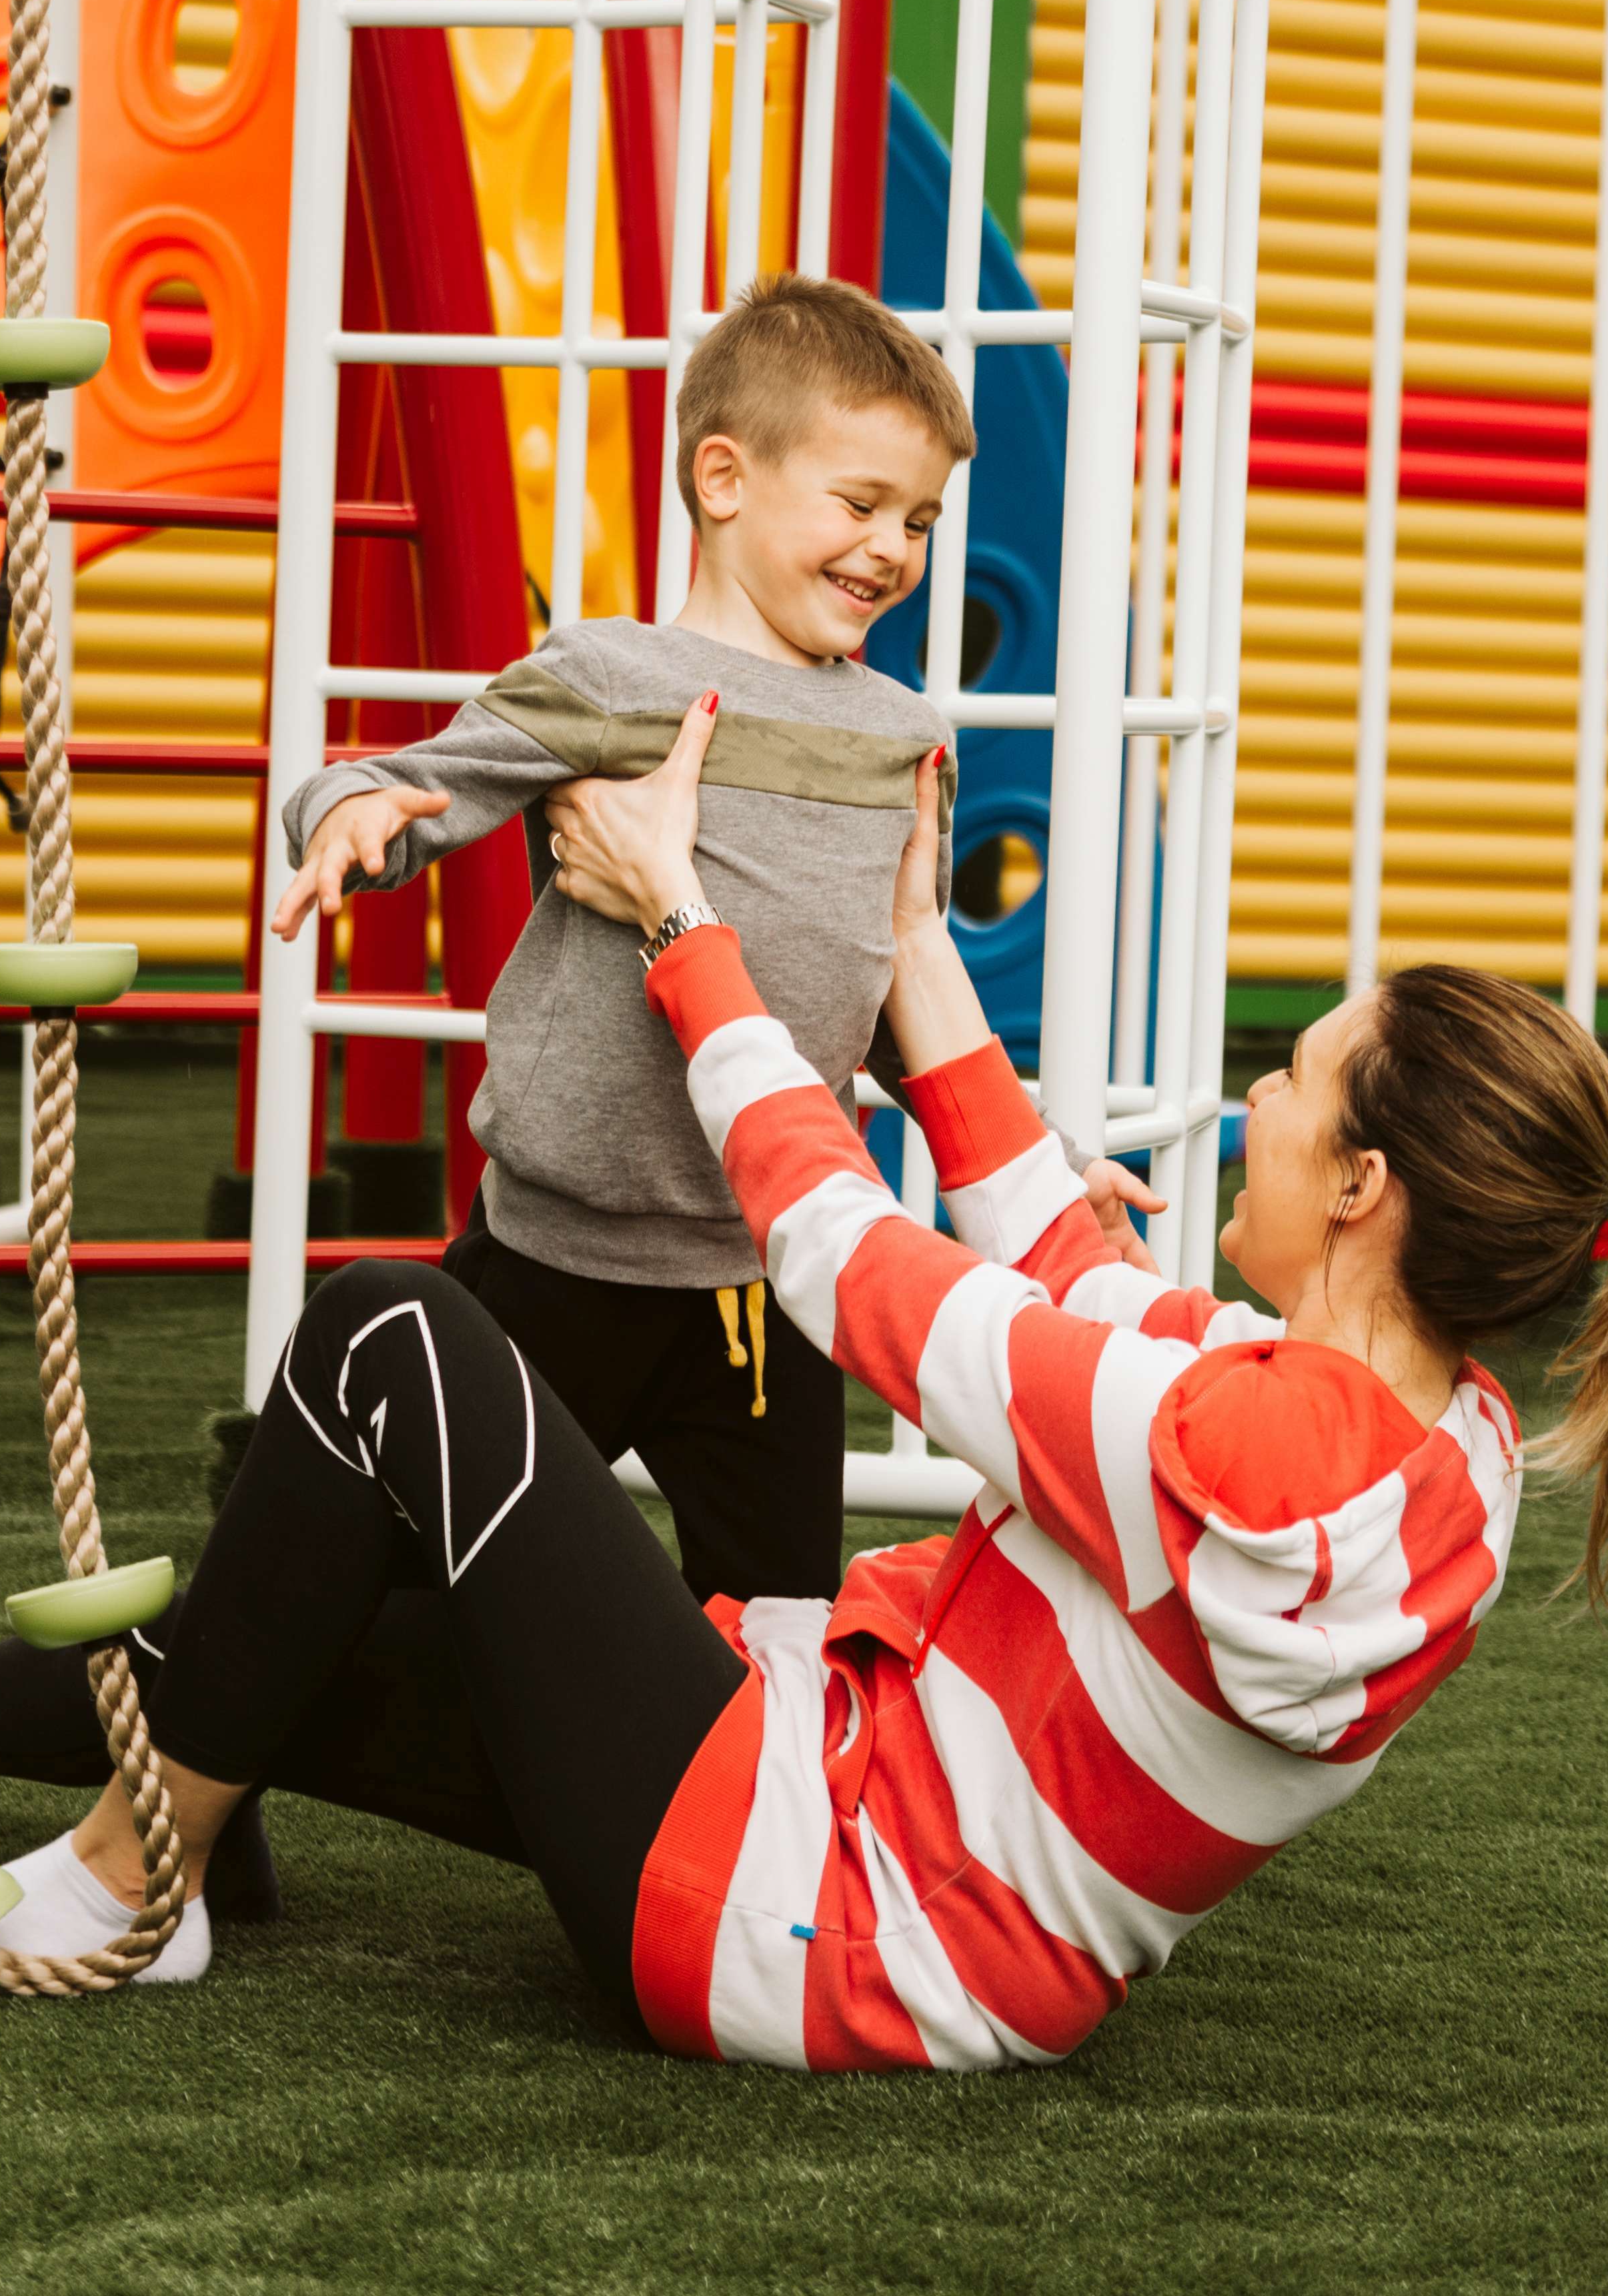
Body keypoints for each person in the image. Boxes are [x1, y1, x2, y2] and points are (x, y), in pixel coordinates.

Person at [0, 711, 1608, 2066]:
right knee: (320, 1633)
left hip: (801, 1912)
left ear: (1369, 1190)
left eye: (1295, 1089)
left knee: (397, 1336)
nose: (1252, 1101)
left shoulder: (1246, 1448)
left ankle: (122, 1893)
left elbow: (847, 1260)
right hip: (849, 1844)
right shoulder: (1428, 1454)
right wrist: (914, 936)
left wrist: (681, 929)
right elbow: (1072, 1264)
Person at [255, 269, 1076, 1605]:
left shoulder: (900, 734)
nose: (892, 547)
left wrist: (1038, 1162)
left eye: (918, 519)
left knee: (785, 1629)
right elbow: (404, 778)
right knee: (368, 1586)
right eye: (859, 503)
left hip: (768, 1281)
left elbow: (885, 985)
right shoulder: (606, 677)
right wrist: (353, 816)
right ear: (722, 477)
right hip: (550, 1267)